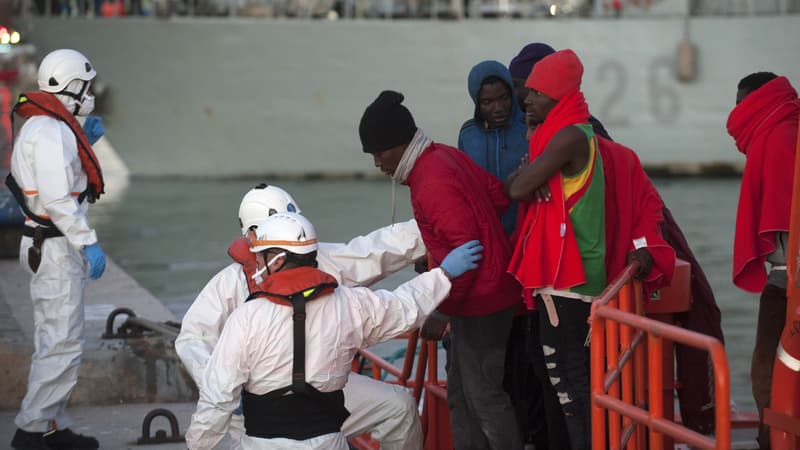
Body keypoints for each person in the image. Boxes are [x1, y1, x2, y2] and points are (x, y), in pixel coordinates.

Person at [515, 41, 721, 434]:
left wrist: (532, 172)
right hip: (590, 285)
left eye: (533, 90)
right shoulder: (586, 143)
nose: (525, 98)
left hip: (568, 285)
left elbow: (517, 189)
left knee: (572, 393)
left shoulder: (573, 140)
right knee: (588, 391)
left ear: (554, 94)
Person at [185, 212, 483, 449]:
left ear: (275, 259)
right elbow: (404, 307)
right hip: (329, 443)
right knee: (398, 406)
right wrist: (443, 274)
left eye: (260, 256)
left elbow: (216, 399)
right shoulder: (350, 304)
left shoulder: (246, 317)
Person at [359, 90, 522, 450]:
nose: (376, 162)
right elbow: (496, 195)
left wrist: (442, 311)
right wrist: (438, 251)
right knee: (462, 396)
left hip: (481, 301)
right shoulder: (444, 156)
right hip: (487, 294)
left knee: (483, 398)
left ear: (398, 144)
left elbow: (468, 251)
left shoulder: (430, 181)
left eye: (378, 152)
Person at [6, 49, 107, 450]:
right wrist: (90, 242)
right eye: (87, 86)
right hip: (54, 247)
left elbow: (62, 176)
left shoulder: (49, 126)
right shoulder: (50, 132)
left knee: (54, 340)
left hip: (47, 245)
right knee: (62, 343)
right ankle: (31, 430)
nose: (91, 93)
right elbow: (57, 199)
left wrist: (85, 138)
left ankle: (52, 424)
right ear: (73, 87)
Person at [457, 58, 552, 448]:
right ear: (475, 103)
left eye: (502, 99)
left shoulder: (528, 131)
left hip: (526, 253)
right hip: (486, 259)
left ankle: (531, 434)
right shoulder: (467, 137)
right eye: (487, 101)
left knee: (528, 355)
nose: (496, 107)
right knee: (496, 363)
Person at [726, 72, 799, 450]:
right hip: (786, 278)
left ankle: (775, 444)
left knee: (767, 376)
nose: (736, 113)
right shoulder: (786, 127)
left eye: (741, 102)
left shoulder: (777, 136)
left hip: (790, 282)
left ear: (756, 101)